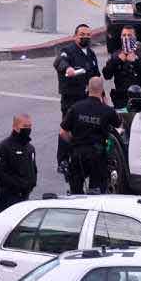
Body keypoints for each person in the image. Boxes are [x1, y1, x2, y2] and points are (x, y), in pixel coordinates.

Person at [53, 23, 100, 174]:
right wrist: (68, 68)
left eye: (88, 35)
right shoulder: (68, 51)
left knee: (86, 129)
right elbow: (59, 62)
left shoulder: (91, 54)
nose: (85, 37)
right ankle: (63, 161)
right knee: (67, 129)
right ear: (75, 36)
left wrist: (102, 95)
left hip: (86, 98)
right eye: (82, 34)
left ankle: (82, 158)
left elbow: (96, 76)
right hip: (71, 98)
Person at [60, 77, 118, 195]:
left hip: (78, 154)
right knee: (96, 193)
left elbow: (62, 132)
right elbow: (119, 126)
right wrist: (107, 104)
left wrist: (73, 142)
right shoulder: (107, 110)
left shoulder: (76, 107)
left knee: (75, 192)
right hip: (98, 156)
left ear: (88, 89)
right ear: (102, 90)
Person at [0, 115, 37, 212]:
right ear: (15, 127)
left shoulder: (30, 148)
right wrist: (17, 185)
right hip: (7, 198)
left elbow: (33, 169)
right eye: (24, 126)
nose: (27, 129)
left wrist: (31, 184)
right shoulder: (4, 147)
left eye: (29, 126)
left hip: (25, 197)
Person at [103, 27, 141, 109]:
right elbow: (107, 75)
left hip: (139, 98)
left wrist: (135, 61)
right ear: (121, 37)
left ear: (135, 37)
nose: (126, 38)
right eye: (124, 35)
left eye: (129, 35)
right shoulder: (116, 54)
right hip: (121, 99)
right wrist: (117, 60)